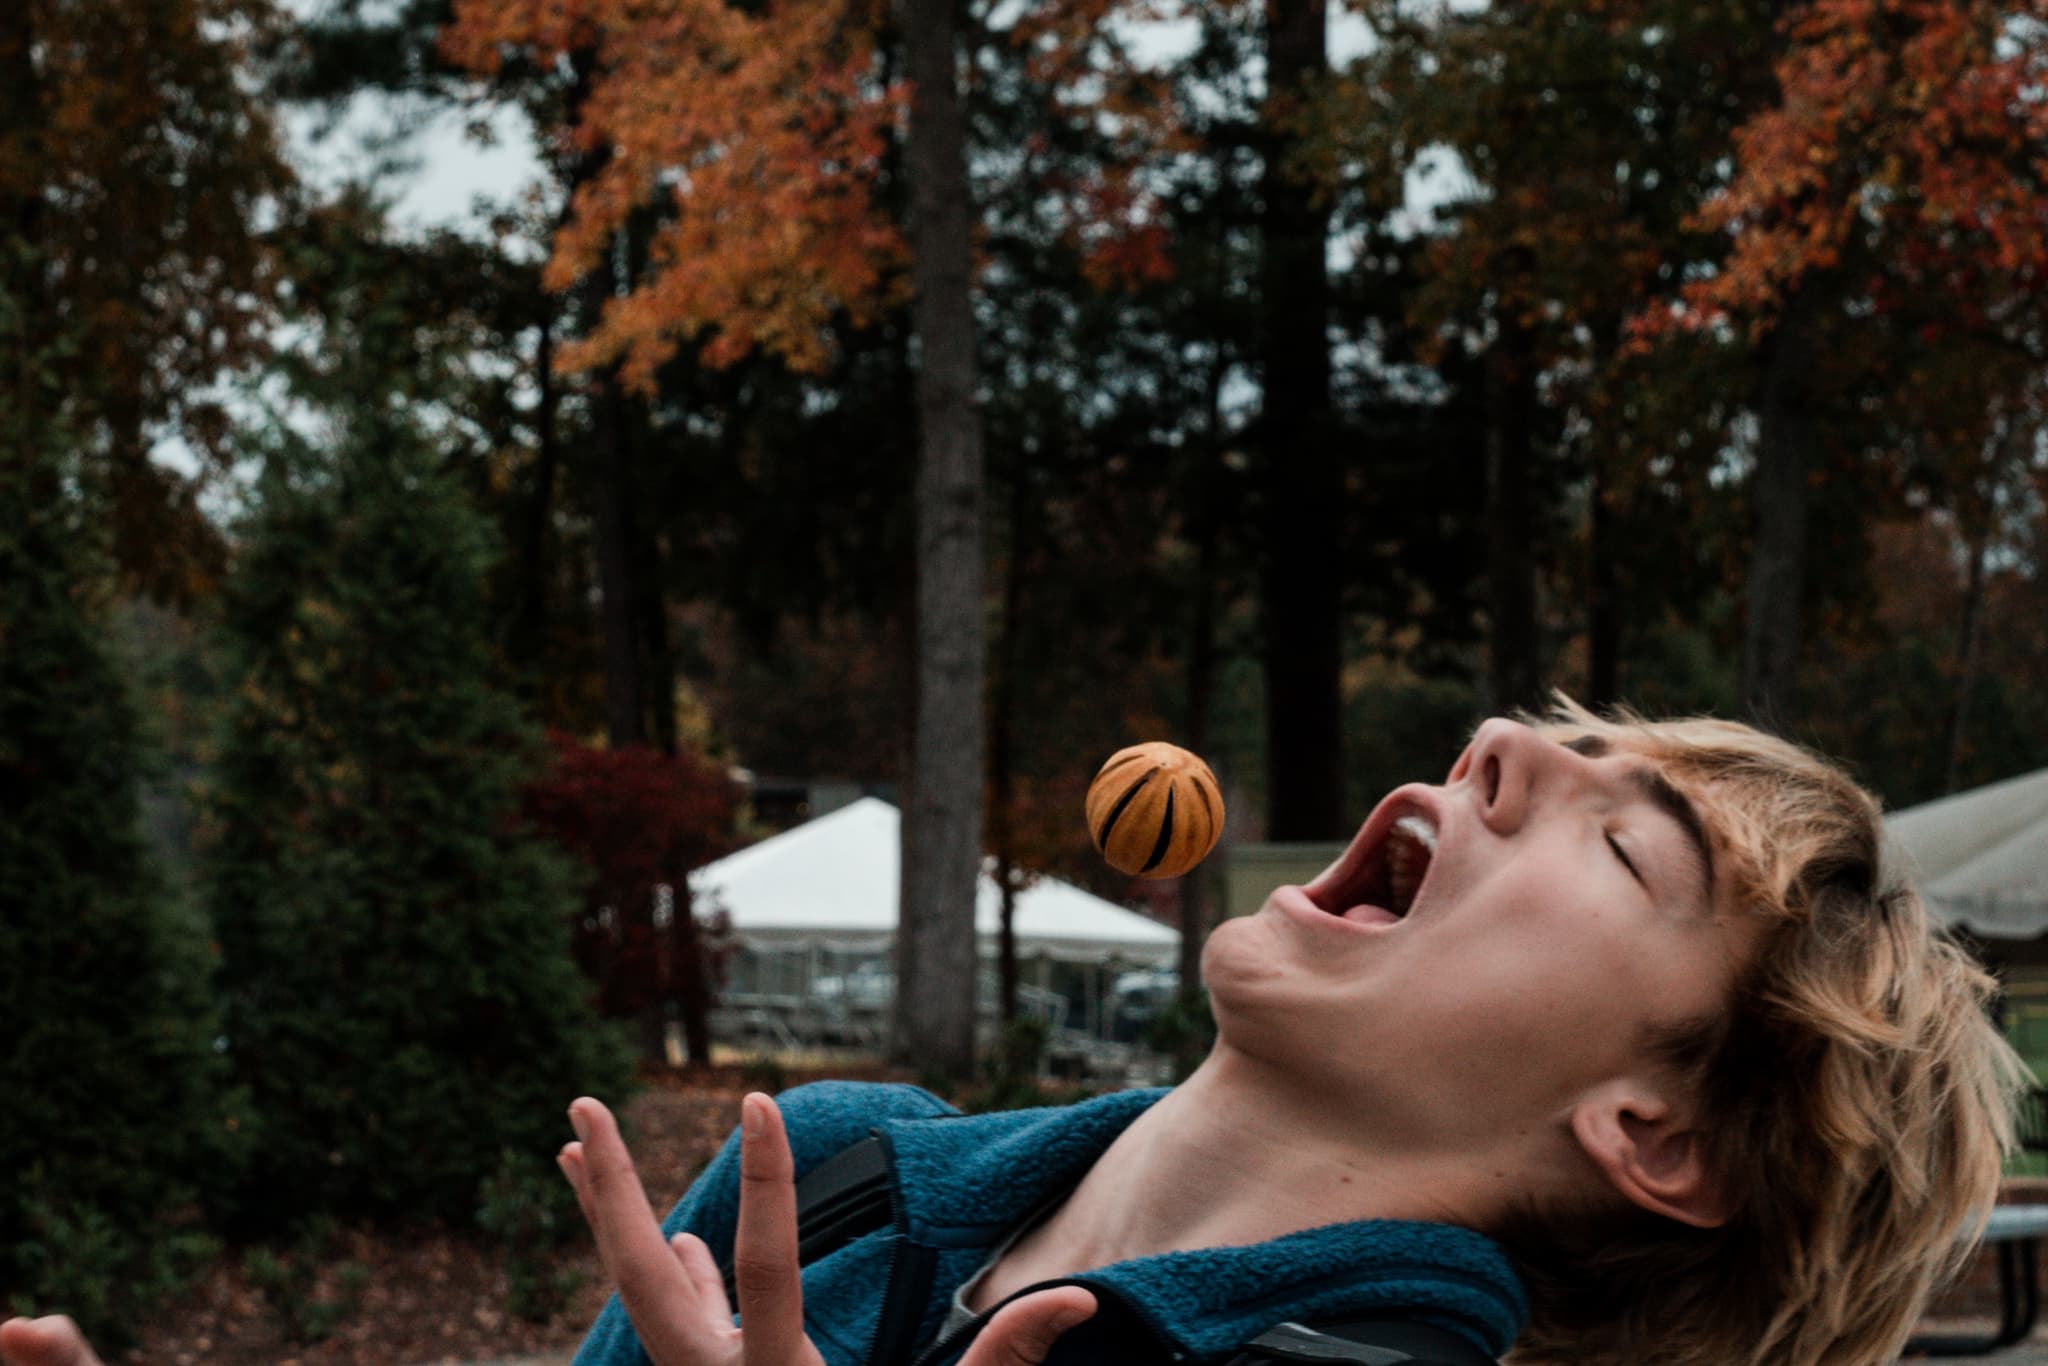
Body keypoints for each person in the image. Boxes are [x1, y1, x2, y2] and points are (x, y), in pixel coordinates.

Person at [0, 703, 2021, 1366]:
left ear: (1653, 1127)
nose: (1497, 741)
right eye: (1549, 734)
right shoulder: (839, 1178)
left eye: (1621, 837)